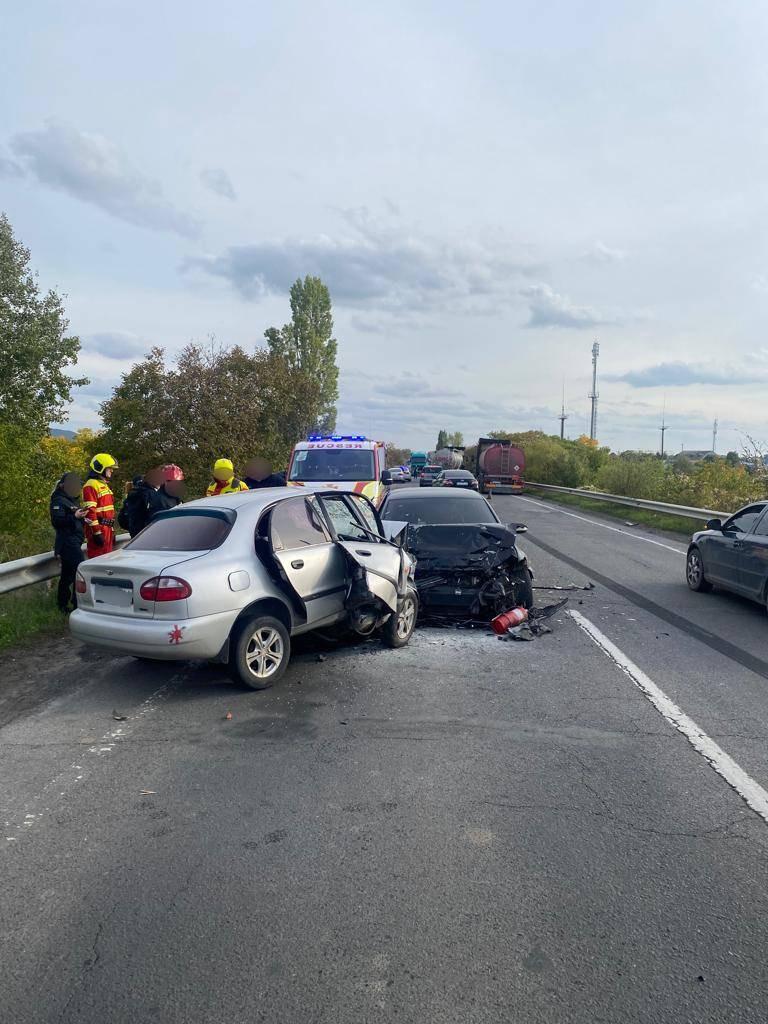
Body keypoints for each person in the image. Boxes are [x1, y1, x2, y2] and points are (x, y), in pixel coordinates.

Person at [49, 472, 87, 612]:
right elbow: (57, 522)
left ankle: (62, 605)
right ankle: (78, 604)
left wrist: (83, 518)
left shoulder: (72, 500)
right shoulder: (58, 501)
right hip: (67, 542)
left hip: (75, 541)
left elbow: (74, 520)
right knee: (79, 571)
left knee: (67, 575)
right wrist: (75, 517)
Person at [81, 453, 119, 557]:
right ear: (100, 468)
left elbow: (109, 511)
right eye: (109, 468)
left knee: (107, 560)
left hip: (107, 528)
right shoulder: (91, 485)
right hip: (99, 529)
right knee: (98, 559)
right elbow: (90, 512)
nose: (112, 470)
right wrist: (96, 533)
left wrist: (112, 530)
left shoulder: (103, 484)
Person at [118, 472, 159, 538]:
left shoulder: (130, 496)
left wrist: (131, 527)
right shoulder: (150, 493)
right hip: (149, 532)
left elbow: (122, 519)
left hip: (135, 534)